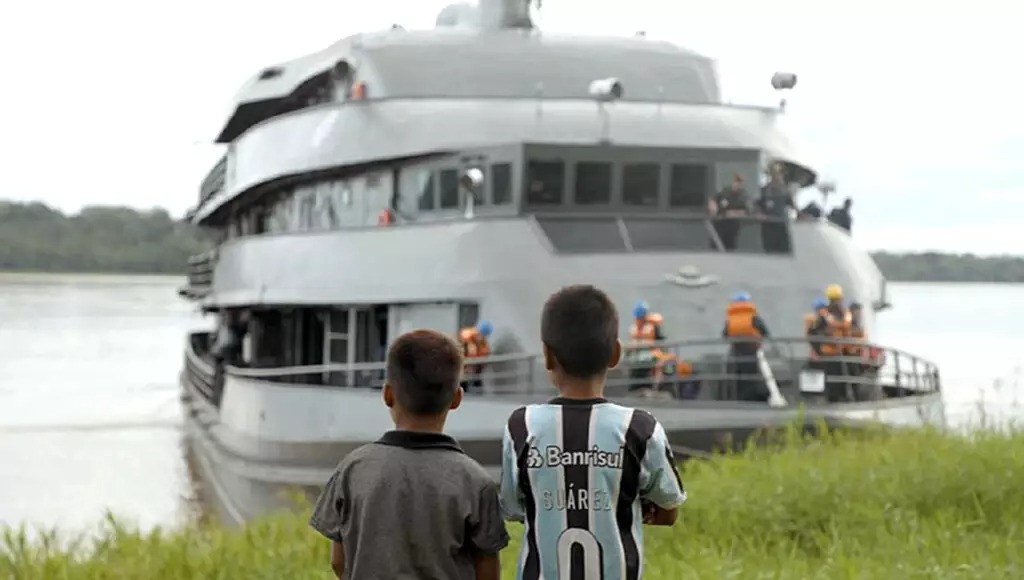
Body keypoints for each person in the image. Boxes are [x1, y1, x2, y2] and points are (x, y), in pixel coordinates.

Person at [499, 284, 686, 580]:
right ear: (616, 354)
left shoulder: (521, 426)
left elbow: (511, 507)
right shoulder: (640, 428)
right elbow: (669, 508)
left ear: (547, 356)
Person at [310, 329, 508, 580]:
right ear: (457, 398)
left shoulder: (353, 469)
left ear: (387, 394)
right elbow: (488, 574)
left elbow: (339, 562)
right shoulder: (476, 481)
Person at [722, 292, 771, 402]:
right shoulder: (753, 317)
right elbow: (765, 332)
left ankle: (738, 399)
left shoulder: (730, 319)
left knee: (738, 378)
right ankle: (752, 399)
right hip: (751, 350)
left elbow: (725, 335)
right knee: (751, 377)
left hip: (736, 351)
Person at [626, 300, 665, 393]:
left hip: (649, 352)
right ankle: (636, 386)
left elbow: (658, 319)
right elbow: (632, 344)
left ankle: (656, 385)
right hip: (637, 353)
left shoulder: (650, 326)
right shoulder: (633, 328)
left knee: (658, 360)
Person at [711, 173, 749, 250]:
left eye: (739, 182)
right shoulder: (725, 191)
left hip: (732, 225)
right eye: (736, 181)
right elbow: (713, 200)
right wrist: (713, 208)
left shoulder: (742, 195)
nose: (737, 184)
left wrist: (732, 213)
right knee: (715, 246)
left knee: (730, 247)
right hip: (719, 223)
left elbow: (745, 211)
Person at [459, 320, 493, 391]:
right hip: (463, 369)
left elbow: (483, 356)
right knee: (462, 385)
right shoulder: (466, 338)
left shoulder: (484, 346)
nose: (480, 337)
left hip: (473, 371)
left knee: (477, 384)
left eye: (483, 335)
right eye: (479, 334)